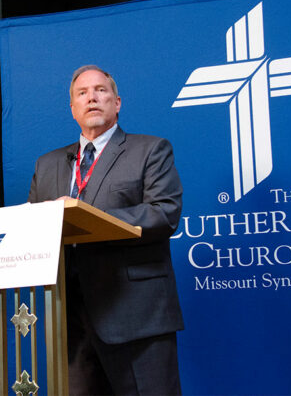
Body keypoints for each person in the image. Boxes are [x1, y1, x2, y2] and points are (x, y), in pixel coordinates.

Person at [28, 65, 184, 395]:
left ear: (117, 102)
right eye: (82, 93)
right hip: (70, 320)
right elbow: (33, 227)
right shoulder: (47, 164)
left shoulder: (150, 150)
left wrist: (86, 214)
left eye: (101, 90)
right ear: (73, 108)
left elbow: (164, 213)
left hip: (135, 314)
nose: (92, 98)